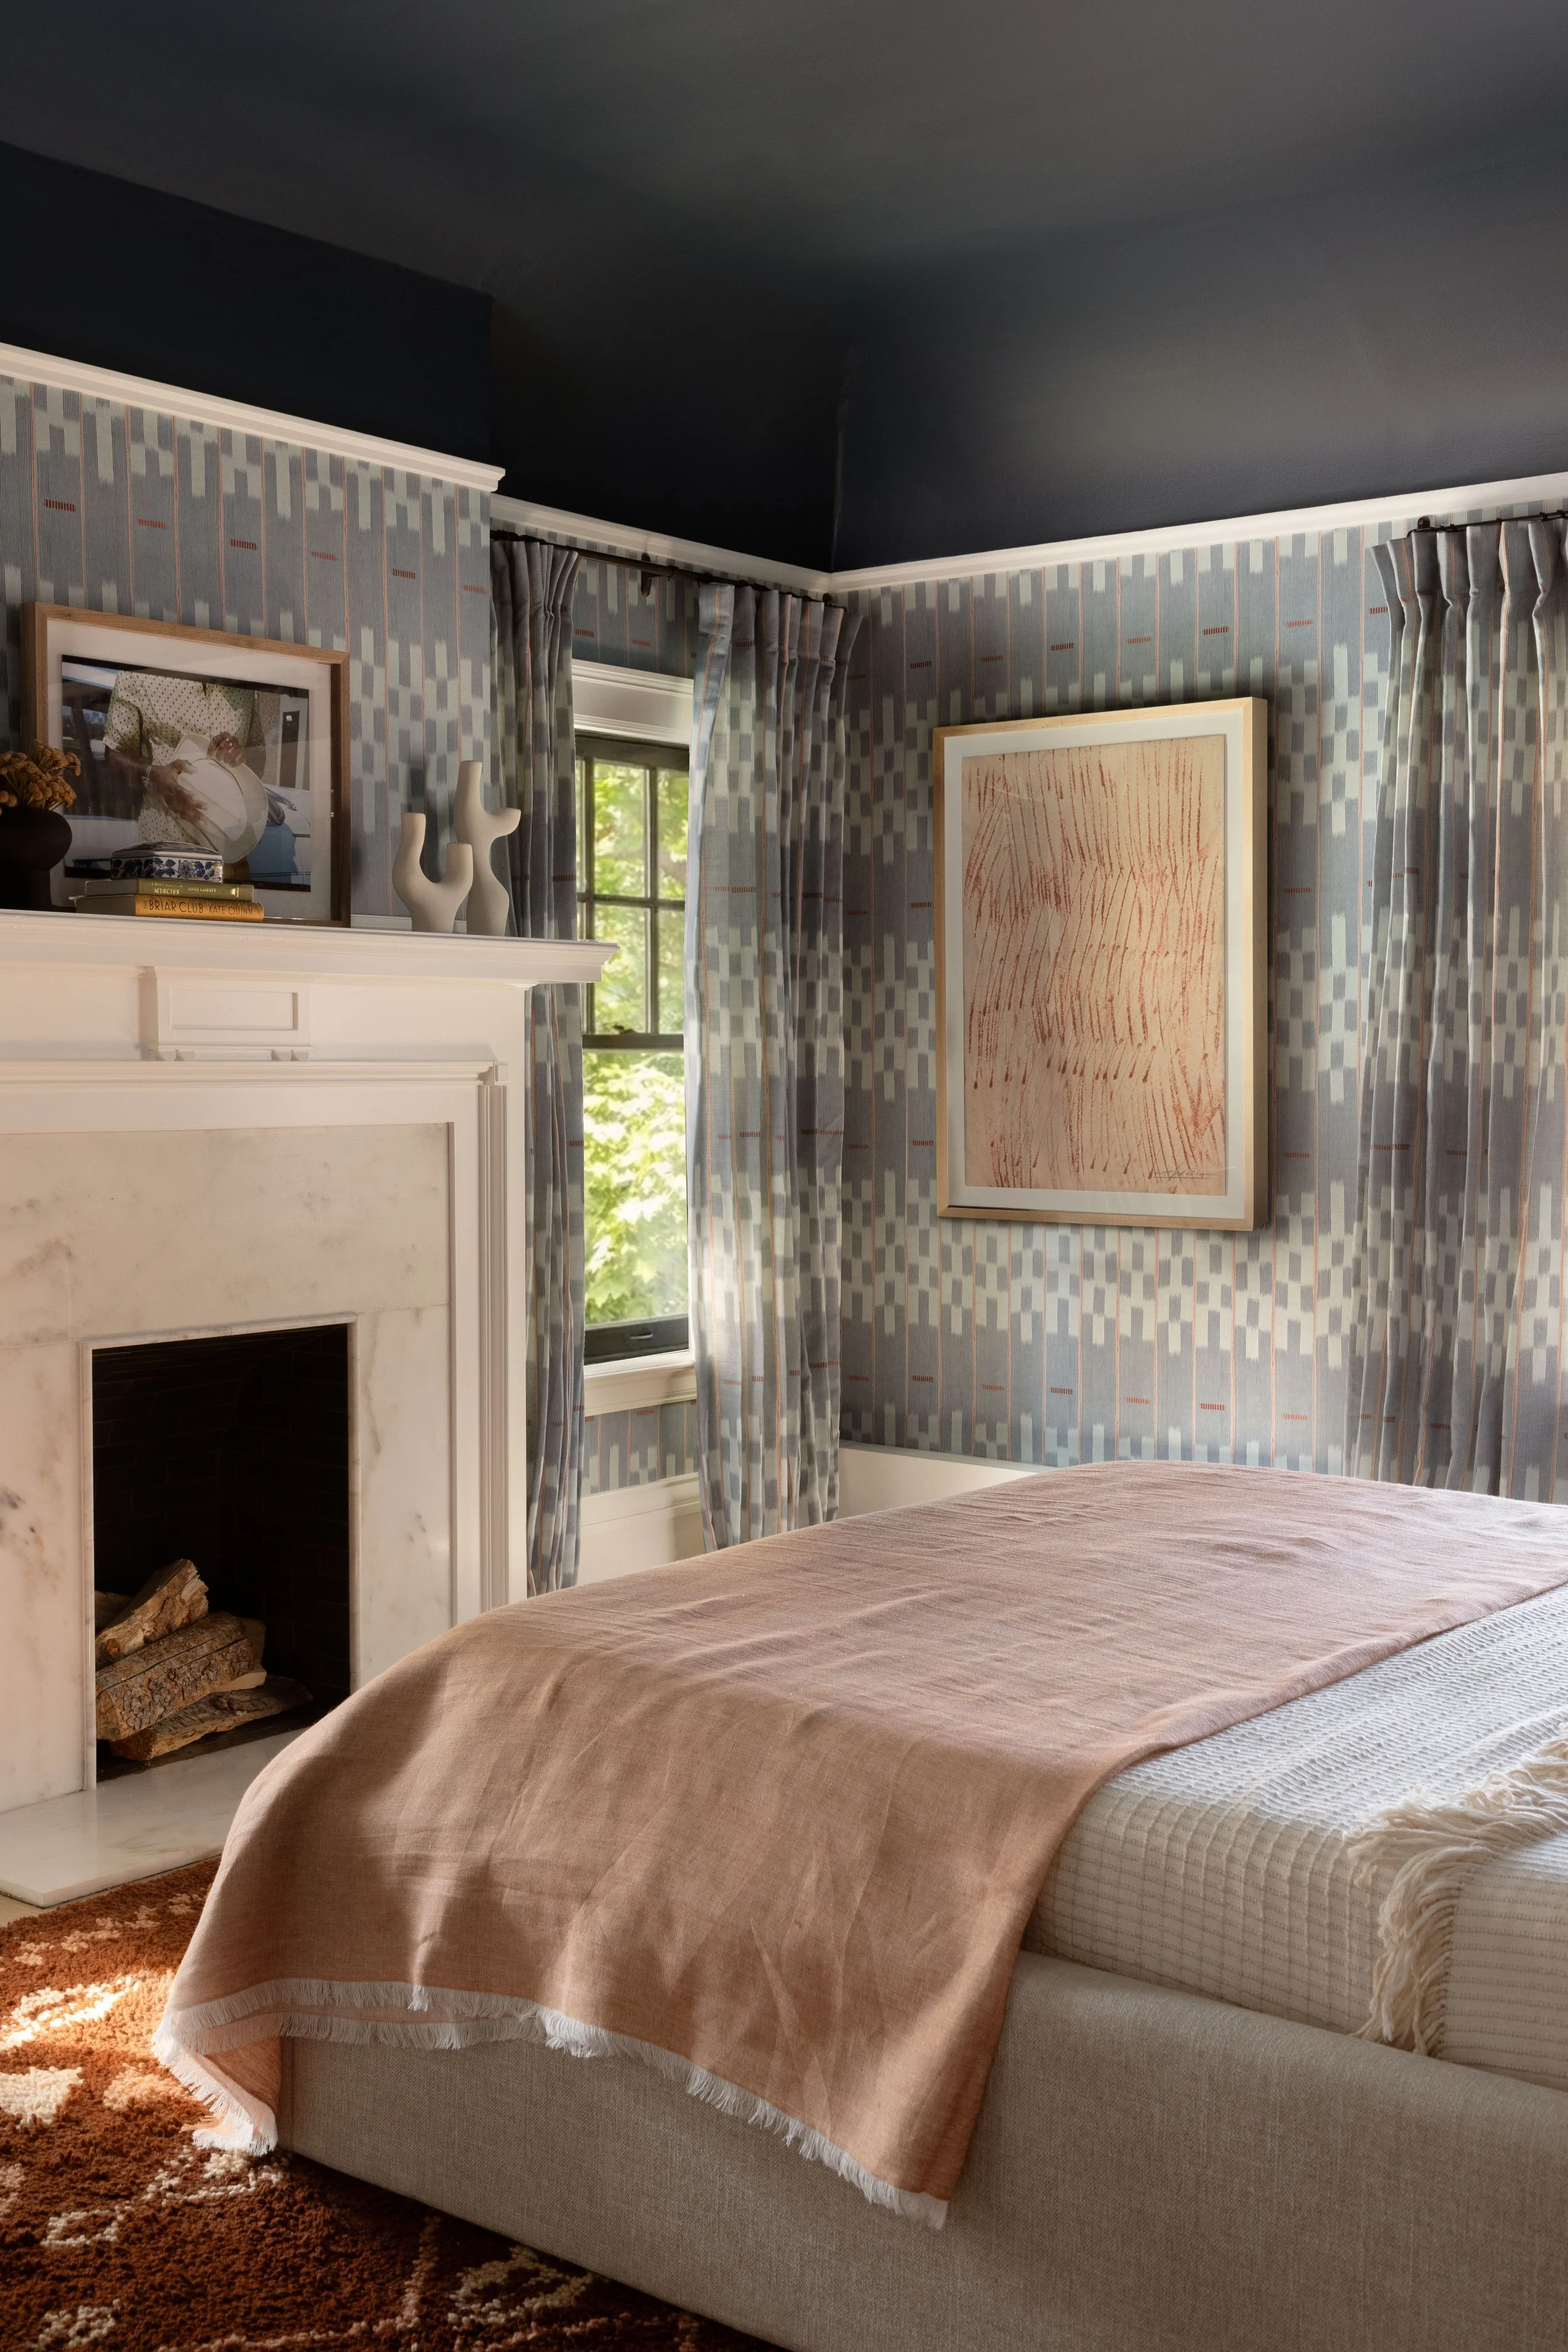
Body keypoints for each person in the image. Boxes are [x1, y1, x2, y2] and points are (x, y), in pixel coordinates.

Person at [104, 670, 270, 862]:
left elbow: (259, 758)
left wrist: (240, 756)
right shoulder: (138, 673)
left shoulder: (244, 682)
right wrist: (154, 777)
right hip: (166, 847)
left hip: (229, 846)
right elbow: (113, 760)